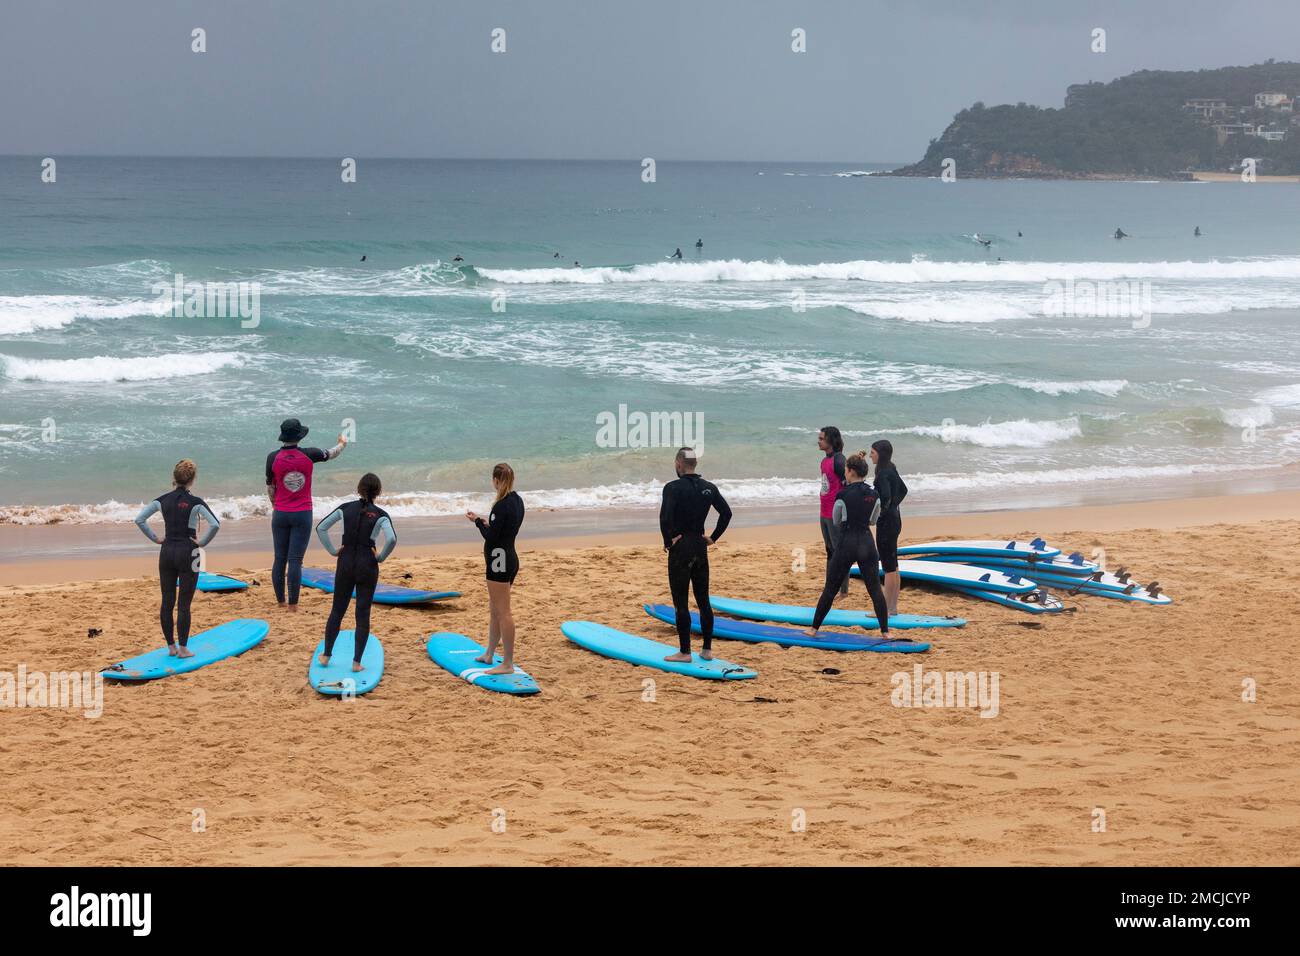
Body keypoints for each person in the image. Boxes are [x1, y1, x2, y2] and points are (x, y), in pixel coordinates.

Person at [133, 459, 221, 658]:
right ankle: (183, 649)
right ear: (193, 479)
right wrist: (202, 543)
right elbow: (215, 524)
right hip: (189, 552)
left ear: (174, 477)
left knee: (167, 601)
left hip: (166, 552)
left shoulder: (161, 500)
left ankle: (171, 647)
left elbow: (139, 519)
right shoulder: (196, 502)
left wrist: (156, 539)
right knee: (184, 604)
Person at [315, 473, 395, 672]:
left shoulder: (345, 508)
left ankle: (326, 656)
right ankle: (357, 663)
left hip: (345, 561)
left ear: (359, 489)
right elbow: (392, 539)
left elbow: (321, 528)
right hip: (367, 564)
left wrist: (333, 551)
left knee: (337, 610)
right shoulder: (381, 514)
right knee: (362, 613)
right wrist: (380, 557)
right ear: (378, 492)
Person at [807, 451, 890, 639]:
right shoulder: (874, 494)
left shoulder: (842, 494)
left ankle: (813, 629)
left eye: (845, 470)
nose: (844, 472)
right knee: (875, 589)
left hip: (847, 543)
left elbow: (836, 520)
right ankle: (885, 632)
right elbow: (873, 520)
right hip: (867, 543)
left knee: (830, 589)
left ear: (851, 471)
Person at [659, 447, 732, 662]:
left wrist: (668, 541)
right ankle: (707, 650)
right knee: (703, 600)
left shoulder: (672, 488)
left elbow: (665, 518)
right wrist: (713, 537)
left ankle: (685, 652)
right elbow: (726, 513)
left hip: (681, 548)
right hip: (700, 547)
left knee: (681, 602)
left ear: (678, 463)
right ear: (695, 464)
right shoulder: (709, 487)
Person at [266, 418, 346, 611]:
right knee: (295, 560)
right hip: (302, 513)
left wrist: (275, 505)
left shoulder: (272, 457)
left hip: (280, 514)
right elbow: (331, 454)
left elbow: (270, 487)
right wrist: (342, 443)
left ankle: (281, 602)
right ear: (299, 436)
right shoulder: (310, 454)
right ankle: (293, 605)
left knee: (279, 559)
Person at [465, 463, 525, 676]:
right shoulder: (517, 501)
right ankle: (489, 653)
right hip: (510, 556)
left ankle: (507, 663)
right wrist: (484, 522)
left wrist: (477, 523)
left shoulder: (500, 506)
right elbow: (503, 531)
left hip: (498, 560)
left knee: (504, 612)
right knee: (495, 609)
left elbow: (491, 537)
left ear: (496, 480)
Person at [871, 439, 908, 615]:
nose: (870, 455)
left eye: (873, 452)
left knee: (888, 567)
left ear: (881, 454)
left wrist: (880, 513)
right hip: (896, 520)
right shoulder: (891, 468)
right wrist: (894, 506)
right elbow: (903, 490)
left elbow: (884, 498)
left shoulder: (882, 474)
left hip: (887, 523)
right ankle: (892, 608)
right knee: (893, 565)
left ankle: (885, 608)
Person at [817, 426, 848, 600]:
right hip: (824, 512)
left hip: (835, 514)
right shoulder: (824, 461)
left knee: (839, 552)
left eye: (821, 438)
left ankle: (843, 591)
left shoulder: (839, 460)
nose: (819, 441)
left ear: (831, 440)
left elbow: (850, 482)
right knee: (830, 551)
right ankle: (830, 587)